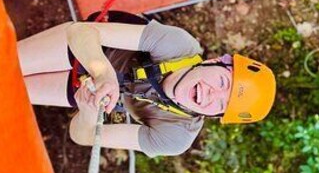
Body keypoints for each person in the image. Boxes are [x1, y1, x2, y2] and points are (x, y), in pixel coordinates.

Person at [16, 13, 276, 157]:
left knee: (9, 91)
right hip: (88, 49)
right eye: (222, 82)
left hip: (87, 90)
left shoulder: (176, 136)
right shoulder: (178, 46)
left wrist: (88, 113)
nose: (211, 93)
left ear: (215, 116)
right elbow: (80, 32)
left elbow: (82, 136)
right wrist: (102, 71)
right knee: (5, 66)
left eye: (221, 103)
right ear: (214, 62)